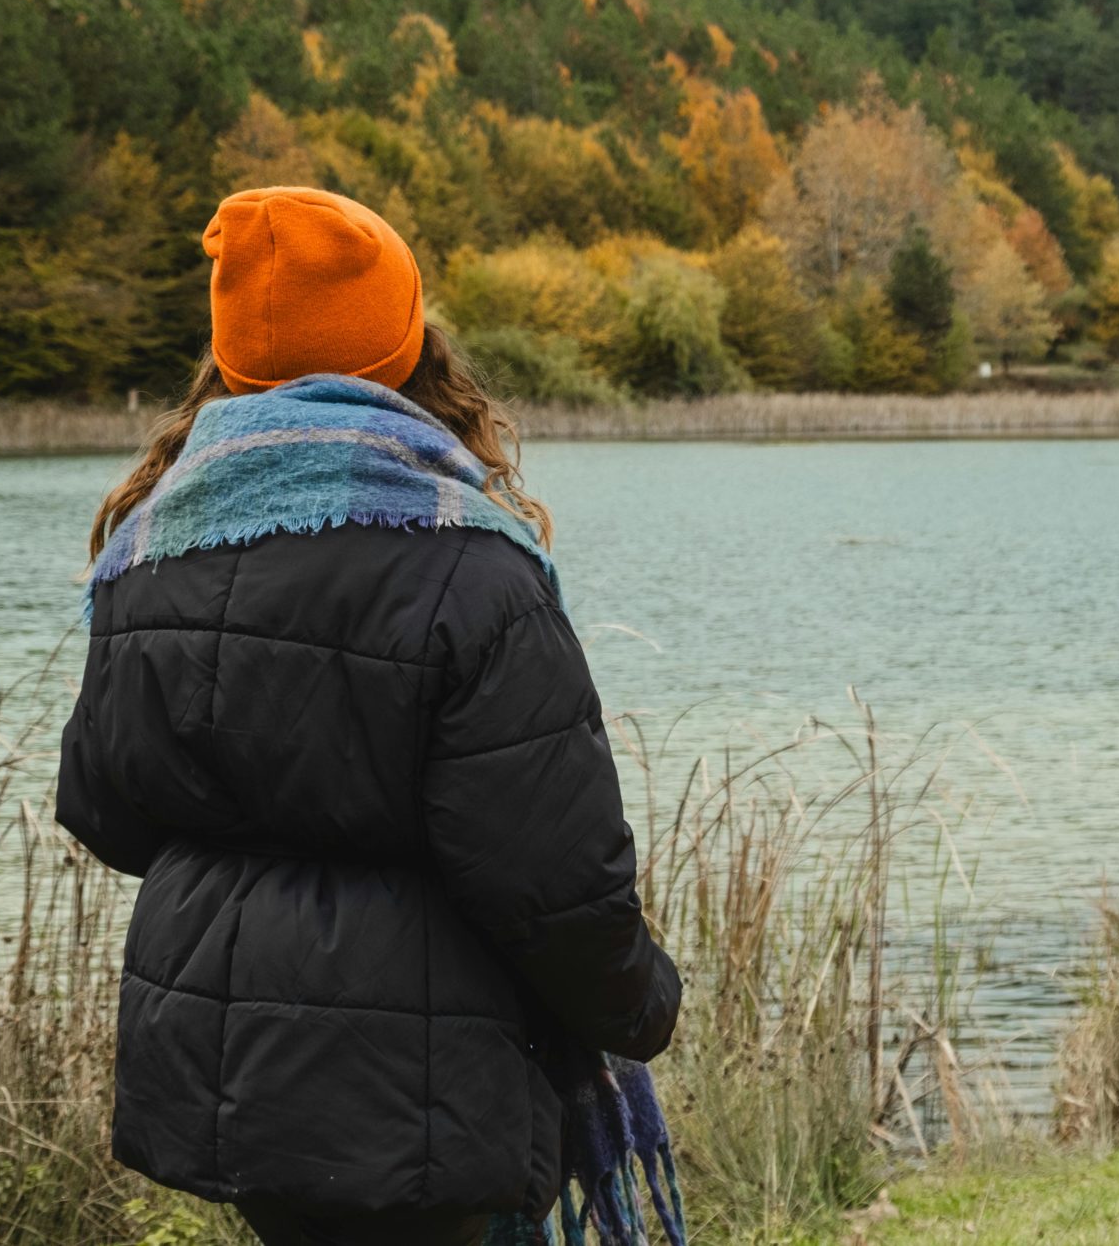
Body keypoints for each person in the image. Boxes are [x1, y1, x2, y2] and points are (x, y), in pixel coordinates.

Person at [59, 186, 682, 1246]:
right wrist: (641, 1007)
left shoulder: (150, 551)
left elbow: (105, 812)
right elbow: (555, 876)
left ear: (231, 361)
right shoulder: (470, 561)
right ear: (405, 347)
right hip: (430, 1091)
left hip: (234, 1081)